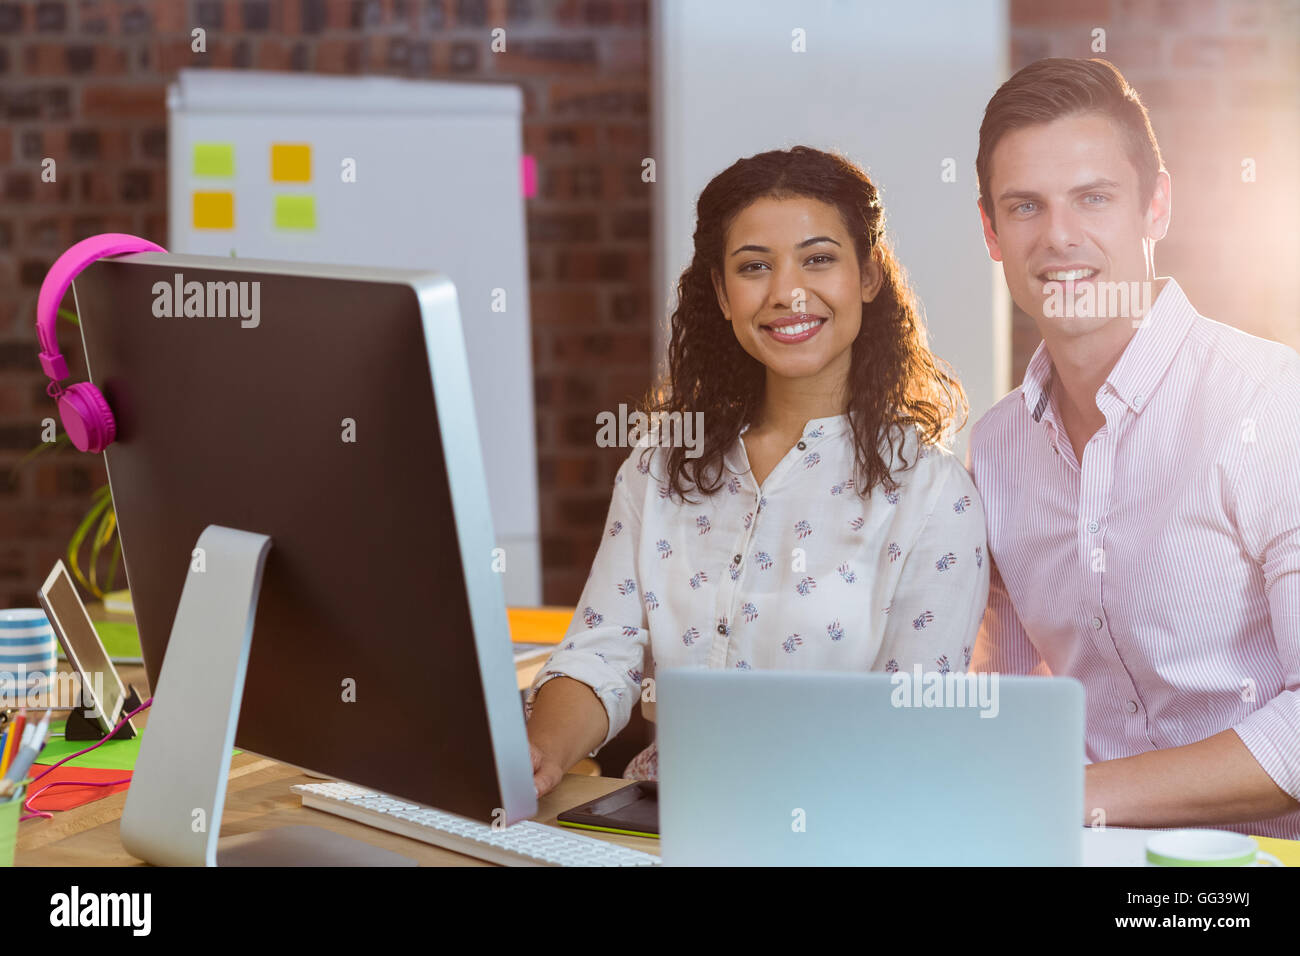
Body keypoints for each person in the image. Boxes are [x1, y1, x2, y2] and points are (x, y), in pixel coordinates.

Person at [525, 146, 989, 797]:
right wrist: (539, 755)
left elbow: (913, 730)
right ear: (721, 293)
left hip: (834, 825)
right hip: (661, 820)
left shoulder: (933, 494)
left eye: (818, 259)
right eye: (754, 267)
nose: (786, 293)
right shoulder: (661, 463)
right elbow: (599, 655)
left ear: (869, 276)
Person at [969, 58, 1300, 838]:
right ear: (990, 231)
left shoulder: (1270, 402)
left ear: (1157, 207)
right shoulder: (996, 448)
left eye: (1094, 198)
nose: (1059, 236)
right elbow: (1003, 701)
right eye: (1025, 206)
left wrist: (1070, 796)